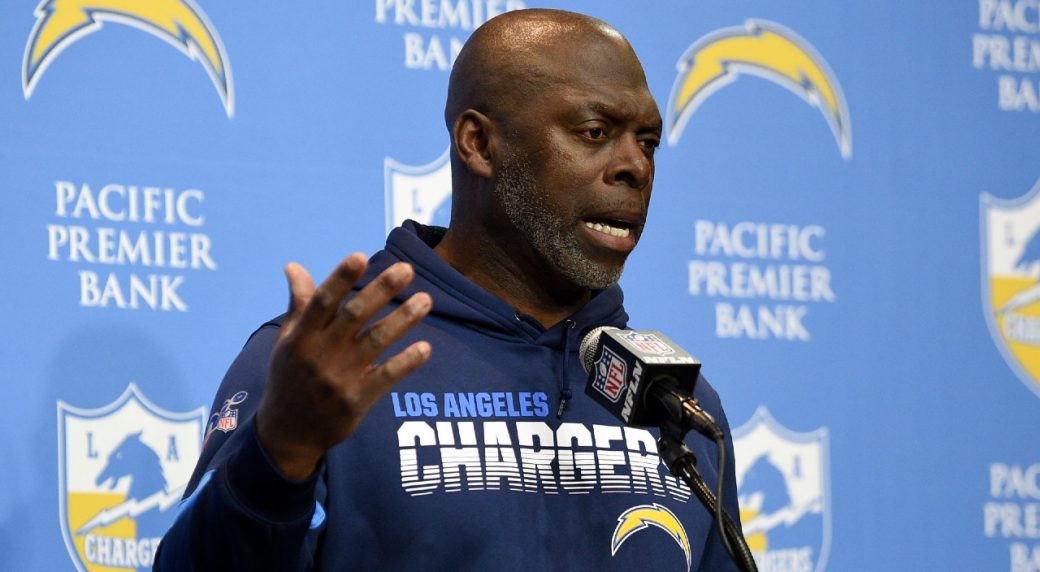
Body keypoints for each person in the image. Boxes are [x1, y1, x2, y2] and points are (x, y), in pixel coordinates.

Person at [156, 8, 743, 571]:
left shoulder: (679, 408)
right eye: (594, 132)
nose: (635, 167)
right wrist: (277, 456)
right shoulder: (328, 361)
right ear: (480, 144)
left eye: (648, 141)